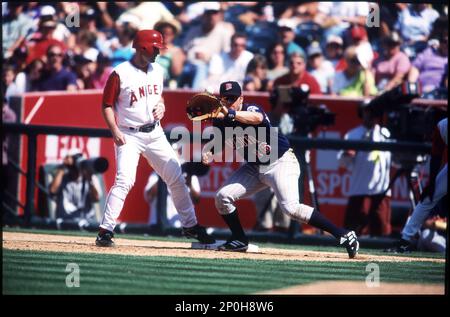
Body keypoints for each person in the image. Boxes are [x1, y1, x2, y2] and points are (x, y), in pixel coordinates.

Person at [202, 80, 359, 257]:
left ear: (241, 99)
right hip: (255, 167)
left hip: (280, 161)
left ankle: (343, 234)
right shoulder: (221, 120)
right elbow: (217, 143)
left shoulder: (251, 108)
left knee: (290, 208)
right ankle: (239, 239)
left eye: (232, 98)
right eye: (225, 98)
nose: (229, 101)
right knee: (222, 197)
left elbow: (257, 119)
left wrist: (229, 113)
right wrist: (208, 153)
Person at [96, 29, 215, 247]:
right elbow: (106, 105)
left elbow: (158, 96)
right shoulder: (120, 73)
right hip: (129, 133)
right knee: (125, 181)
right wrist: (114, 130)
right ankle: (105, 230)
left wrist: (161, 105)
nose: (159, 52)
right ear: (142, 48)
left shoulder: (158, 70)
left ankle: (190, 226)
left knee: (176, 177)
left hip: (155, 132)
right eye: (155, 48)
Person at [337, 101, 392, 237]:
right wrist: (347, 154)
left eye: (373, 111)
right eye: (367, 111)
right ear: (361, 112)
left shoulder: (386, 134)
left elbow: (396, 161)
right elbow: (342, 163)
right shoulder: (352, 134)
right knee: (351, 234)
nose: (370, 115)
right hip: (359, 190)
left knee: (381, 236)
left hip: (381, 192)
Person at [394, 118, 447, 252]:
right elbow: (436, 156)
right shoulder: (443, 126)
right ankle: (405, 240)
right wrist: (431, 183)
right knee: (428, 198)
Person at [49, 151, 101, 222]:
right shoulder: (62, 177)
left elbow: (96, 199)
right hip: (65, 220)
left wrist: (89, 180)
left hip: (86, 220)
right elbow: (52, 191)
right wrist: (62, 168)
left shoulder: (91, 178)